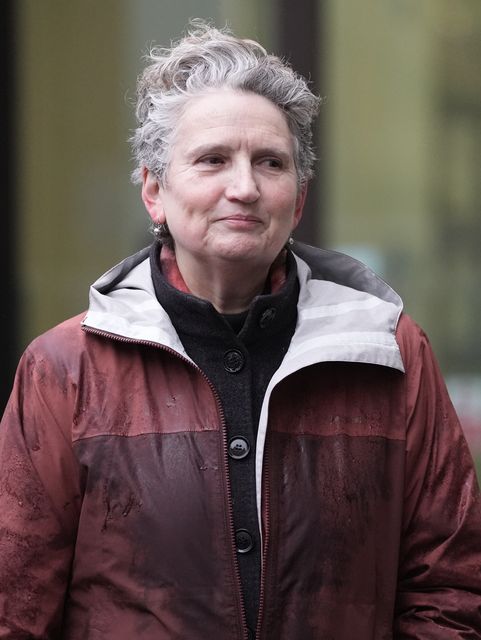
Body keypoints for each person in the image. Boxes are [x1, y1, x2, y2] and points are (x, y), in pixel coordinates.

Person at [0, 20, 480, 640]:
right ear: (154, 191)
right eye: (212, 160)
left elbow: (450, 588)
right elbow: (14, 604)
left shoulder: (389, 351)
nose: (245, 187)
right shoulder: (66, 368)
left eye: (271, 163)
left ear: (298, 199)